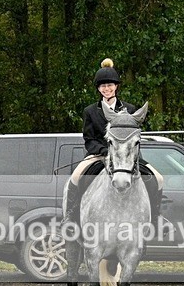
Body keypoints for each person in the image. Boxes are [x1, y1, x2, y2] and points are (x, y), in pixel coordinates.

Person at [64, 58, 172, 238]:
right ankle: (71, 216)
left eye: (109, 85)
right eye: (102, 86)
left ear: (116, 86)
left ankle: (156, 216)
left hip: (126, 156)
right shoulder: (90, 111)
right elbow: (89, 139)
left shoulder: (130, 109)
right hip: (100, 155)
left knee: (158, 178)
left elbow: (135, 136)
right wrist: (105, 151)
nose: (106, 89)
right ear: (98, 89)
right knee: (76, 176)